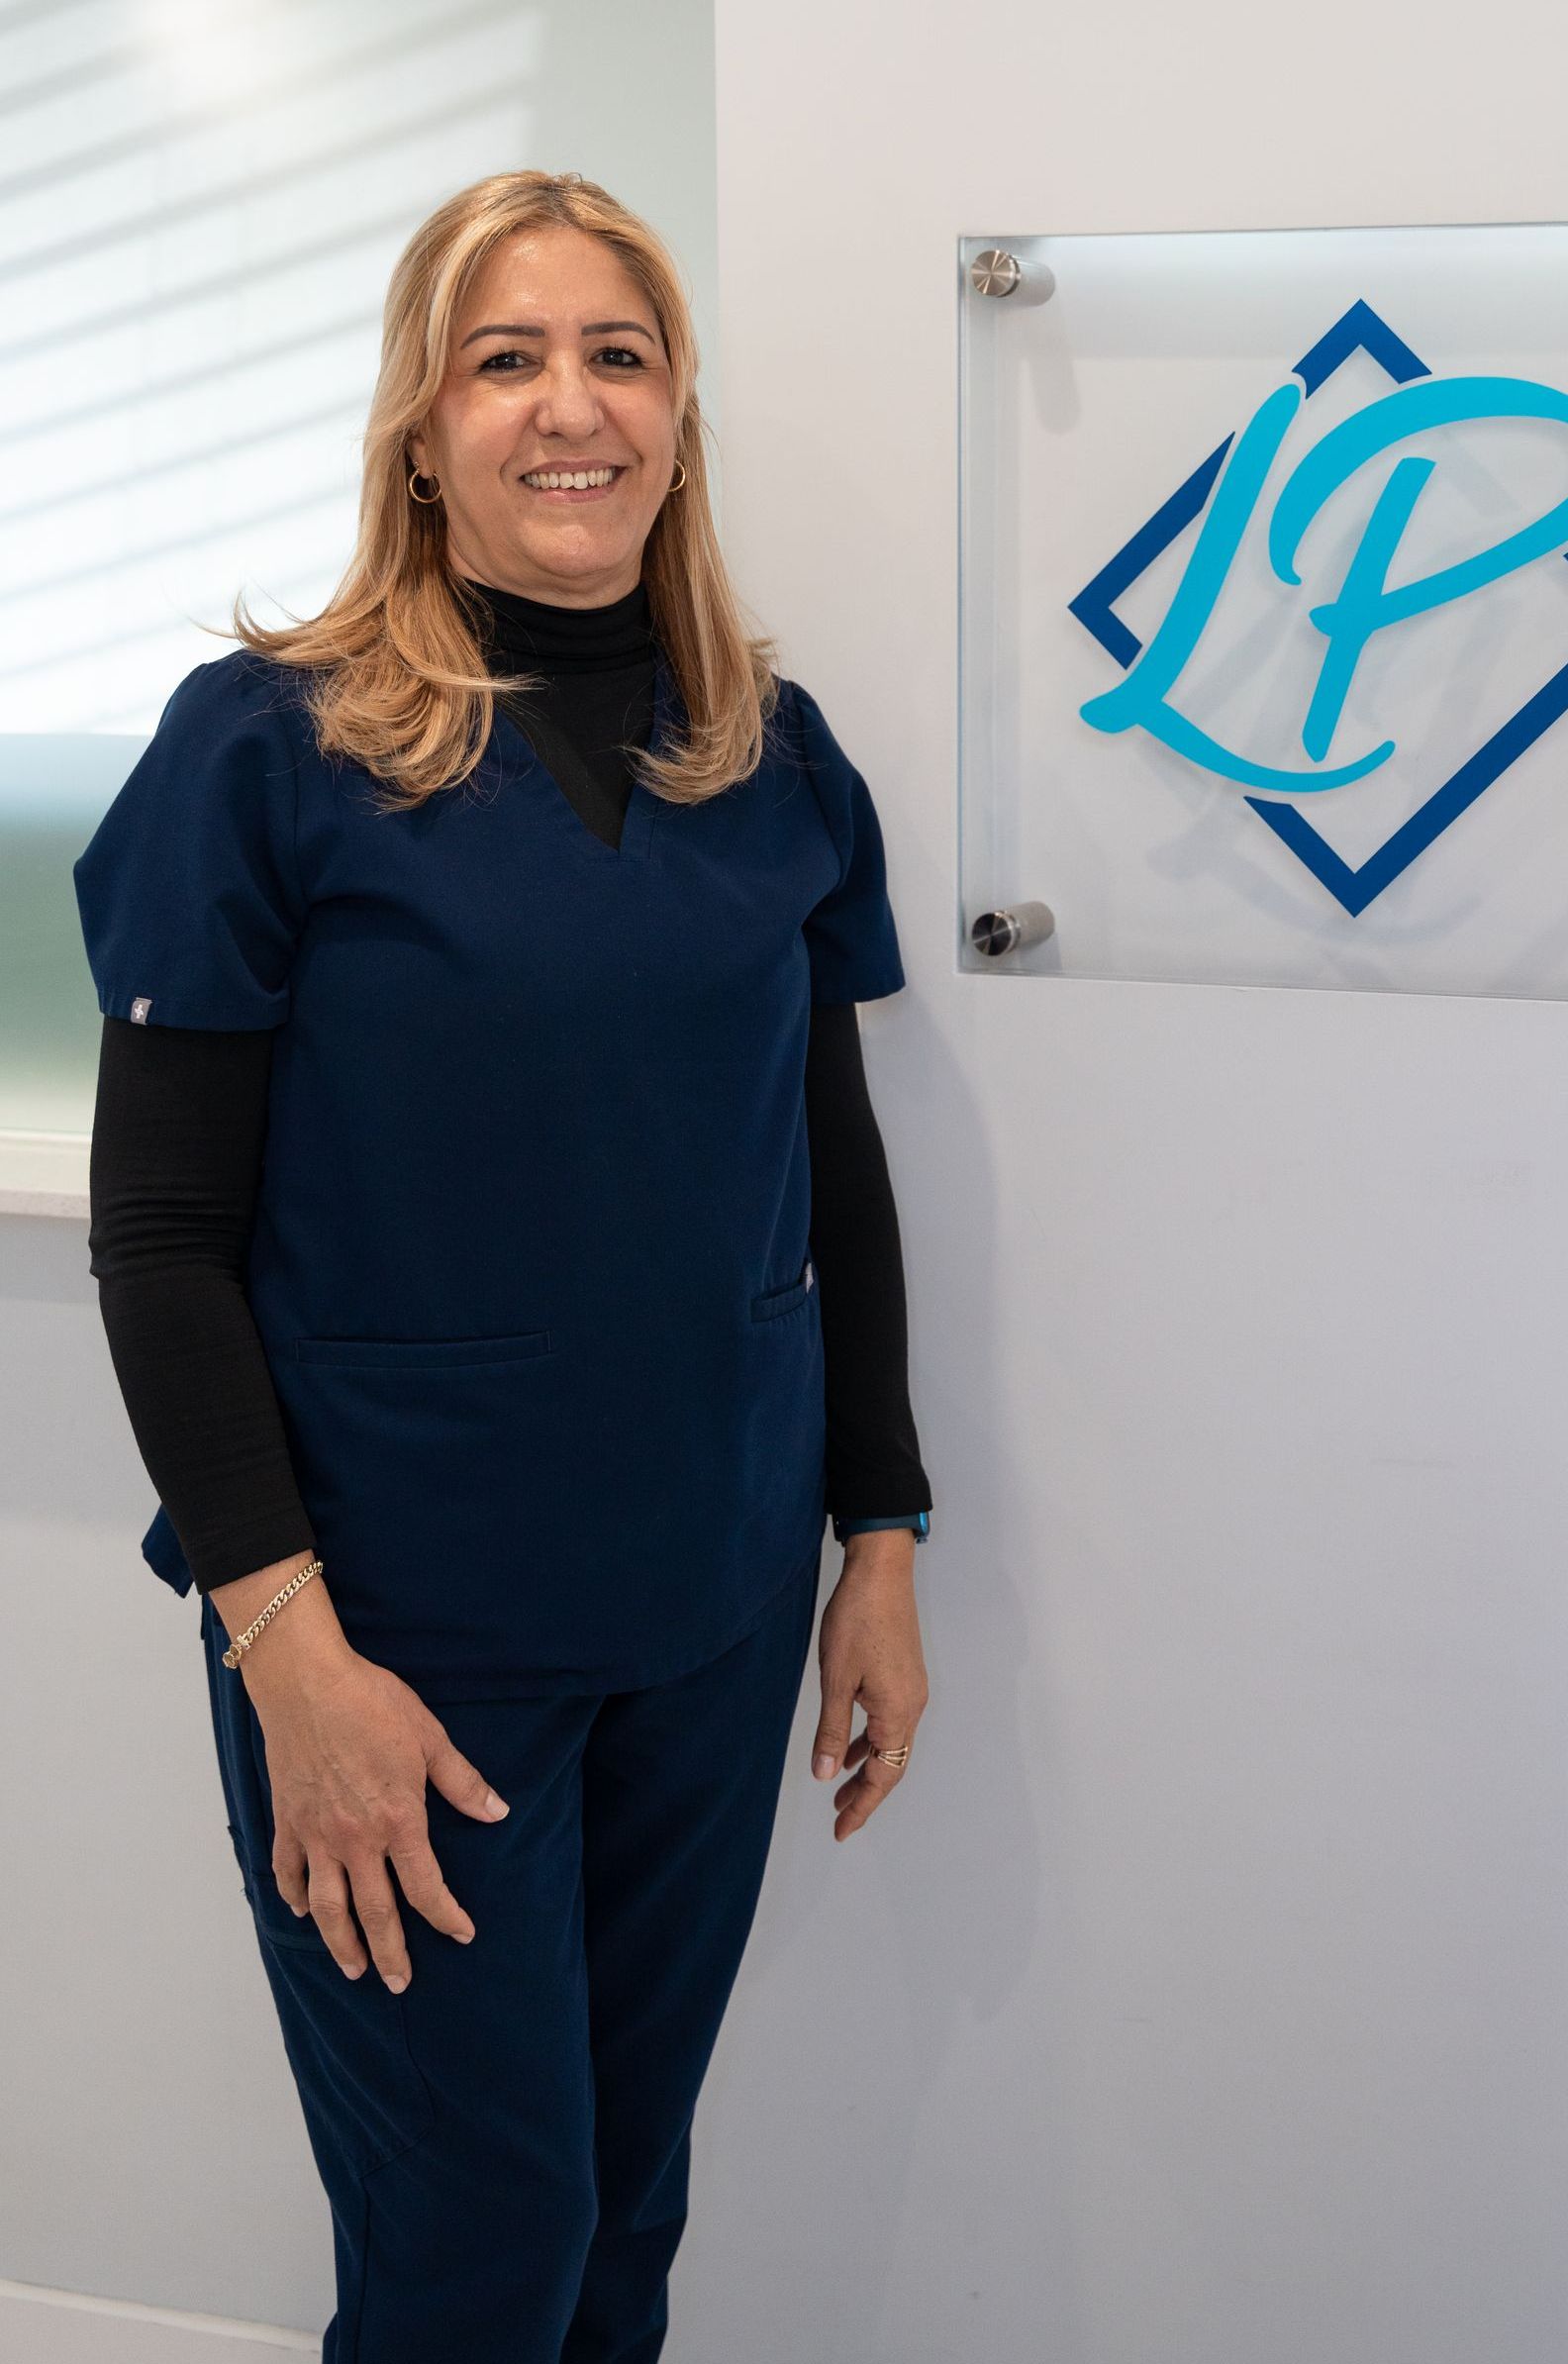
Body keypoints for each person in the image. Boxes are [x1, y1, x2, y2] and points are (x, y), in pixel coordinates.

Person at [71, 167, 932, 2363]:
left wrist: (883, 1538)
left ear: (677, 415)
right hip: (394, 1646)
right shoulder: (267, 753)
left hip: (712, 1611)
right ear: (421, 428)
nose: (574, 406)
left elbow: (827, 1170)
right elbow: (160, 1235)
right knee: (480, 2254)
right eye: (507, 355)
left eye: (618, 353)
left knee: (624, 2220)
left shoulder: (767, 753)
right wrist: (289, 1657)